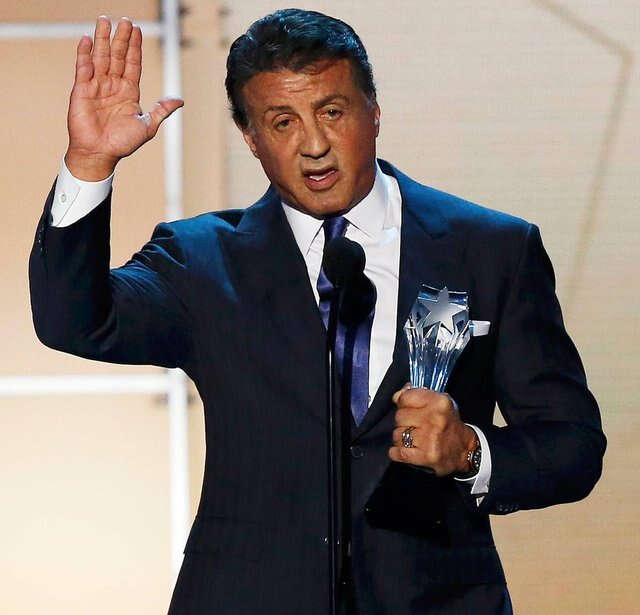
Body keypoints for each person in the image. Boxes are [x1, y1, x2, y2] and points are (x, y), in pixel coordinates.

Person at [29, 9, 606, 615]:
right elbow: (74, 321)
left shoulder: (492, 249)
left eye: (332, 111)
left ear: (374, 111)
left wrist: (469, 452)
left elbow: (572, 447)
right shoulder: (202, 261)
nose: (313, 145)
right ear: (251, 138)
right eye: (283, 122)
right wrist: (89, 165)